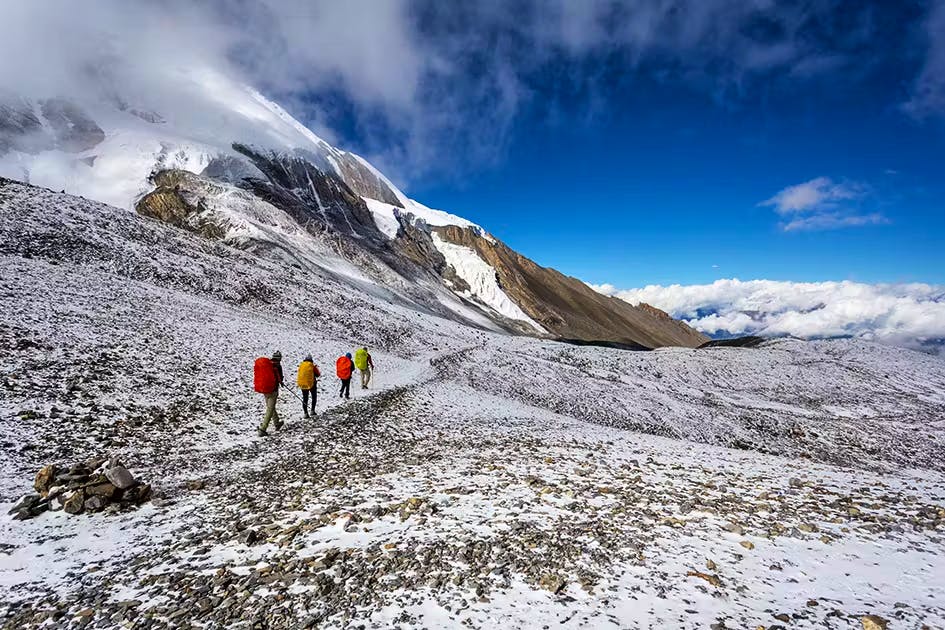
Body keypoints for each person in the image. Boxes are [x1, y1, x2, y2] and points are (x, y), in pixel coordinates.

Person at [257, 350, 285, 436]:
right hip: (273, 390)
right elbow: (280, 377)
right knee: (270, 408)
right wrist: (281, 382)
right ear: (279, 358)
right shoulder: (278, 366)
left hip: (265, 389)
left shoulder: (267, 365)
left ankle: (277, 423)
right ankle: (263, 428)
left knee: (271, 407)